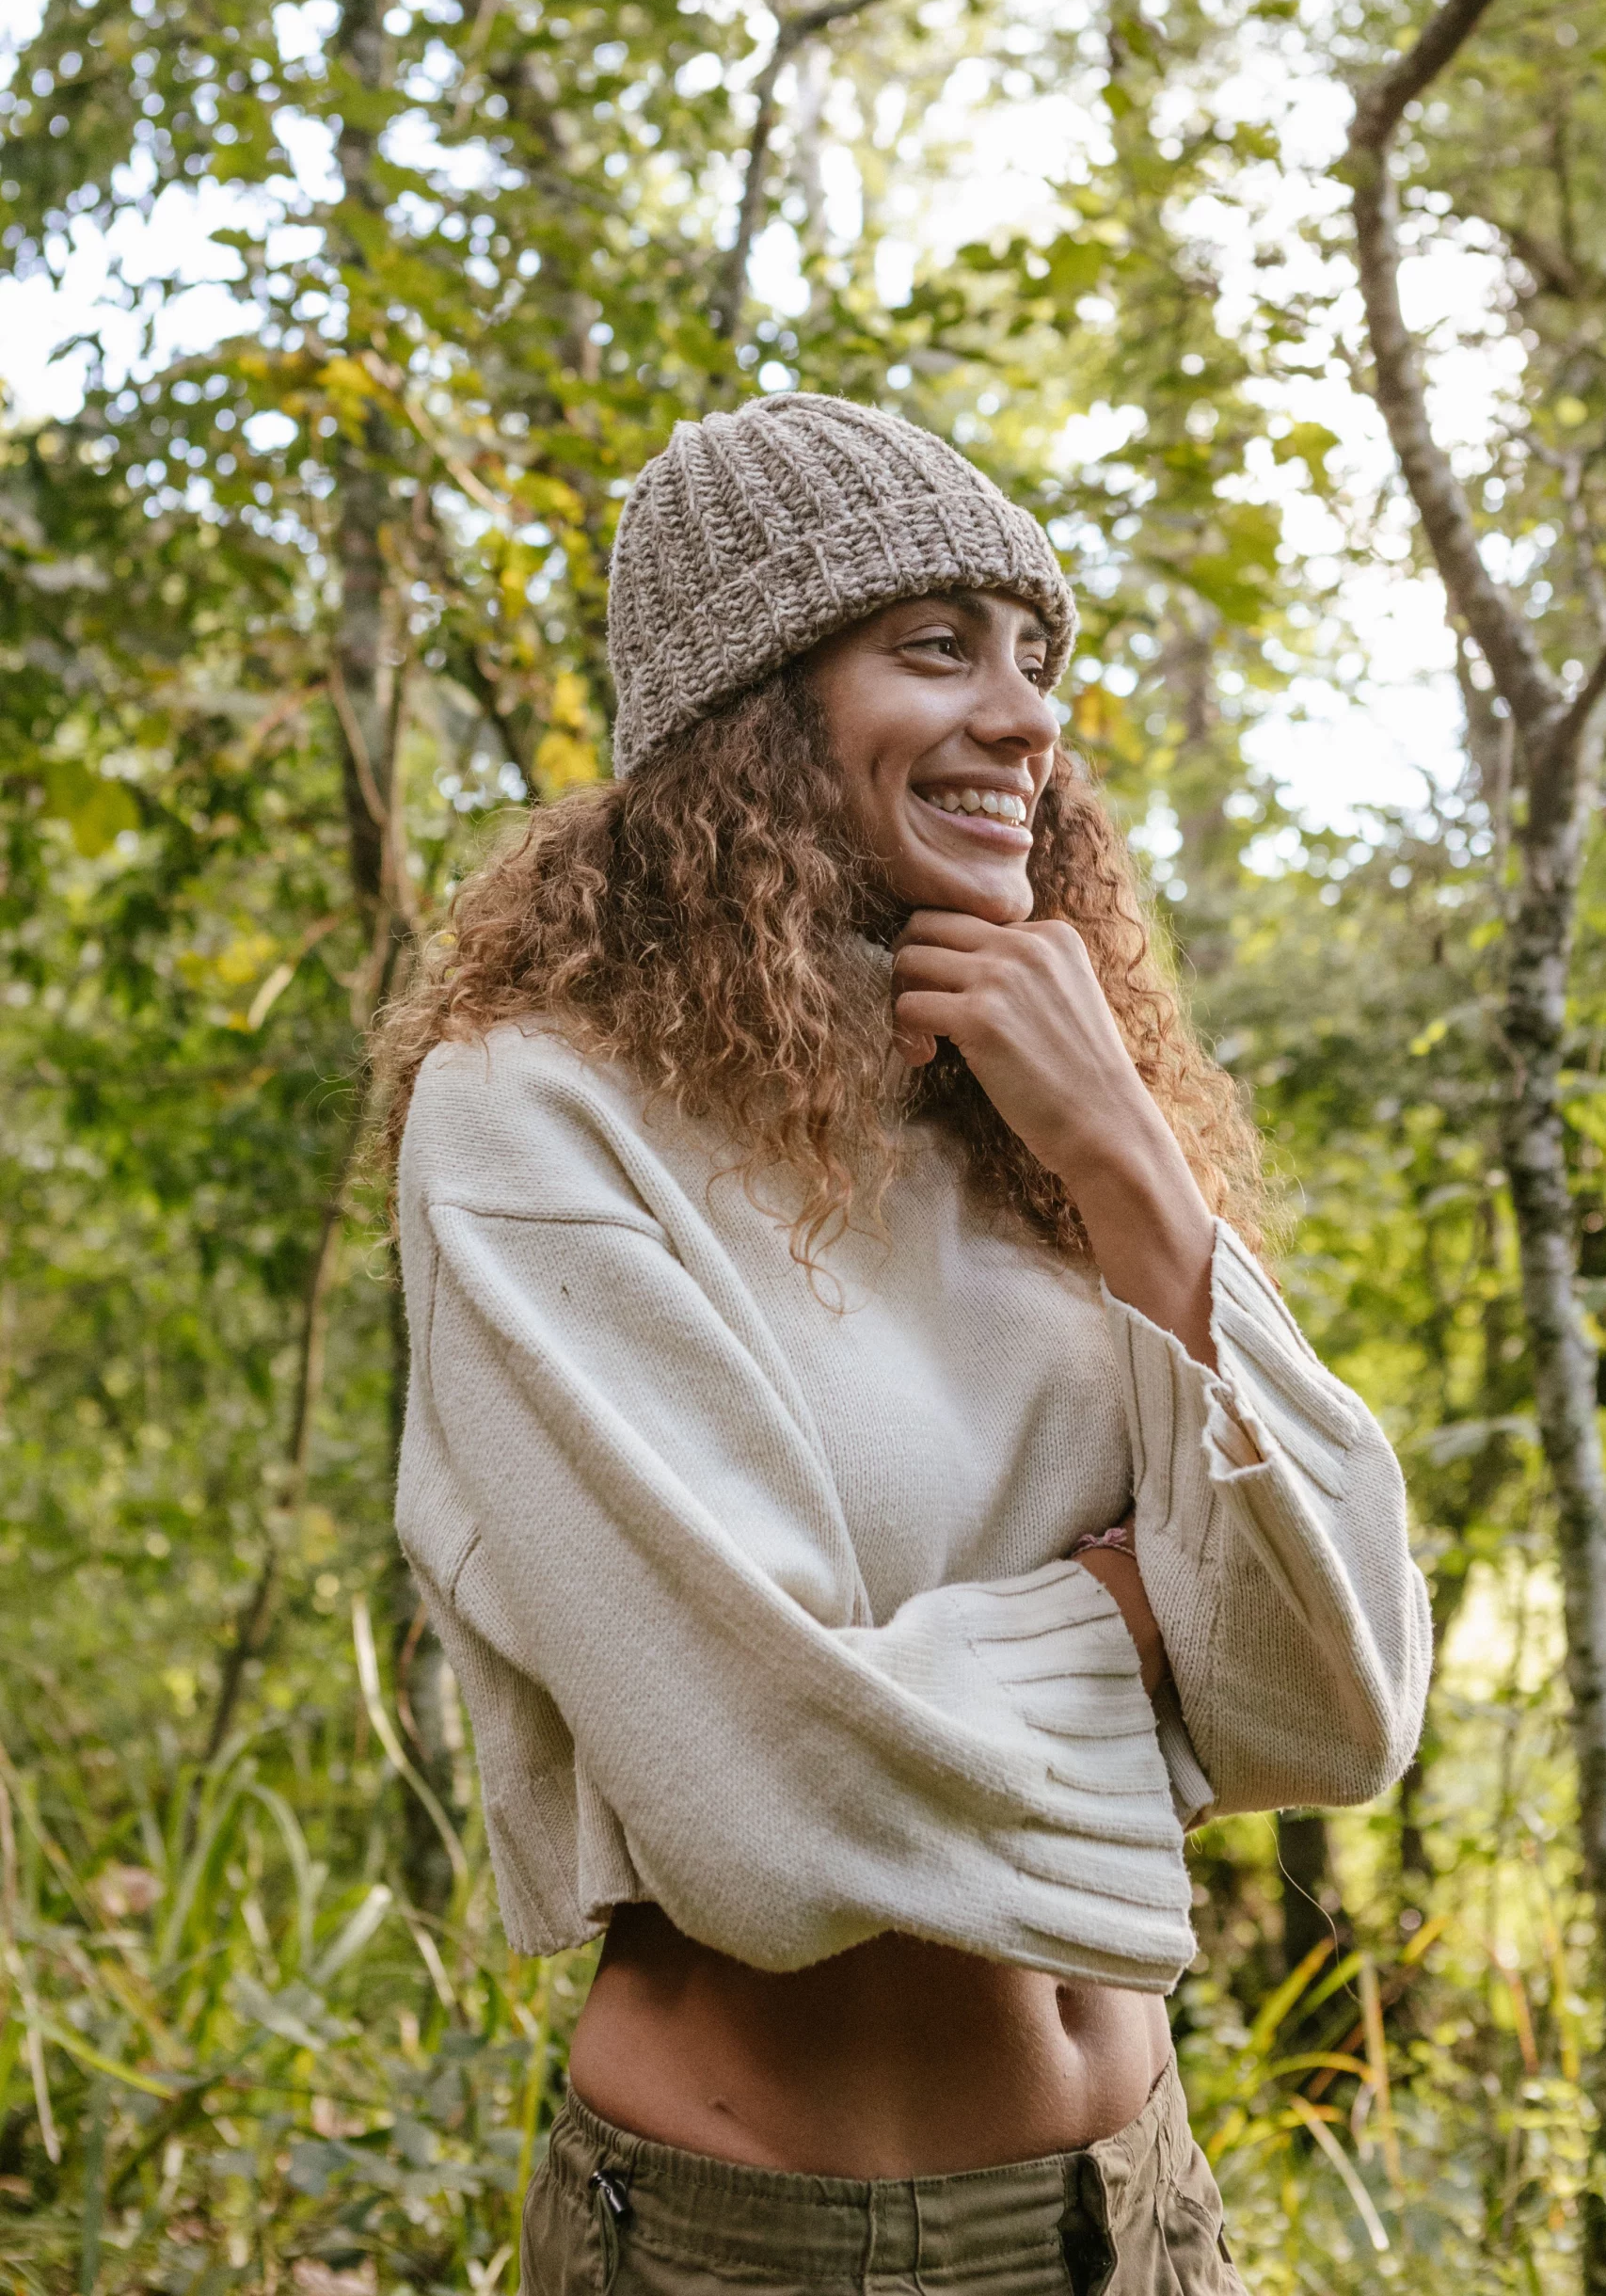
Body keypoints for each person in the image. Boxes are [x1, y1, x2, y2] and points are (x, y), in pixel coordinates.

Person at [378, 393, 1429, 2295]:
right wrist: (1138, 1618)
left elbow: (1337, 1695)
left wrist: (1118, 1149)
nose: (1022, 715)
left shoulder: (1039, 1119)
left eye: (1033, 656)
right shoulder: (533, 1120)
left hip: (1141, 2200)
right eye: (930, 647)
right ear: (751, 709)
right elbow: (766, 1806)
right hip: (760, 2236)